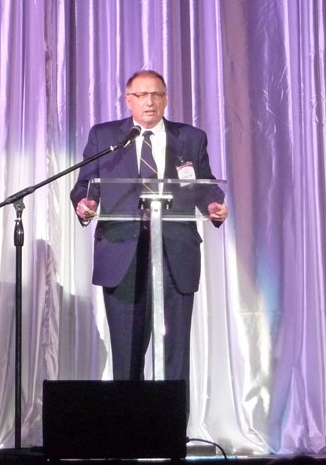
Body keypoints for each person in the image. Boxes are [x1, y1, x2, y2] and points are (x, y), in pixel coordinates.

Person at [70, 70, 228, 382]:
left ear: (166, 100)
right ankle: (131, 416)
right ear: (128, 100)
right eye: (141, 95)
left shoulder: (190, 138)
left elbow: (205, 185)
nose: (150, 102)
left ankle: (171, 417)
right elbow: (86, 185)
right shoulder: (106, 137)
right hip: (122, 254)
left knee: (175, 356)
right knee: (127, 357)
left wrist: (213, 205)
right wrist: (85, 203)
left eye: (156, 94)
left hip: (174, 255)